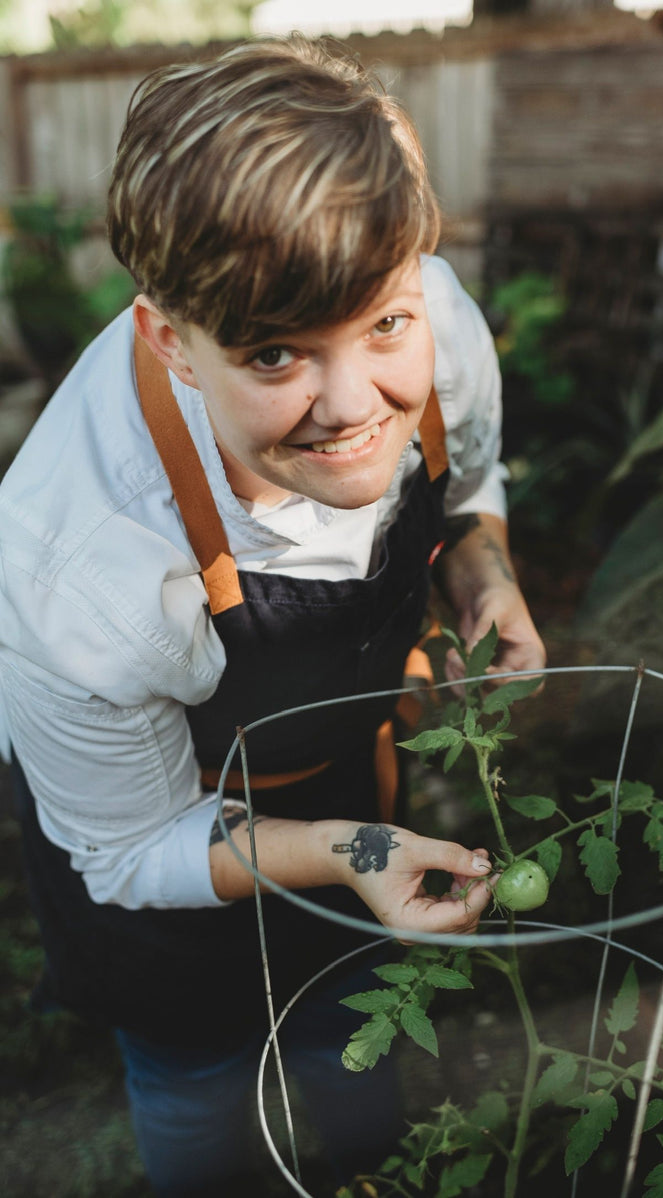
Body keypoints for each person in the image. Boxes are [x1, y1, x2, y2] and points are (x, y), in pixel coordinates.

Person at [0, 35, 546, 1196]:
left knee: (350, 1077)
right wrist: (358, 854)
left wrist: (480, 575)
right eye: (276, 353)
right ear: (170, 341)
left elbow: (468, 482)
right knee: (205, 1104)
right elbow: (135, 847)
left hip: (348, 781)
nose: (354, 407)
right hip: (165, 868)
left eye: (383, 328)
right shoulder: (81, 559)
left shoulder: (433, 321)